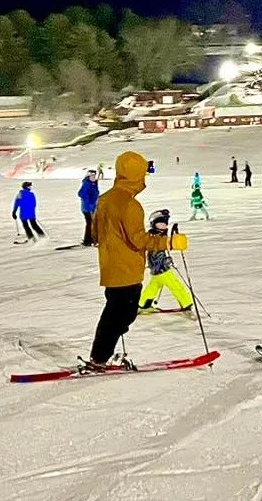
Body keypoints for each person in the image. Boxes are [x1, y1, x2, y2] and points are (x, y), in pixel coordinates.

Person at [87, 151, 188, 370]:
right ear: (136, 174)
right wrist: (170, 242)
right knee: (121, 315)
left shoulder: (105, 199)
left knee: (115, 312)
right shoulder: (130, 204)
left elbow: (94, 234)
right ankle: (100, 358)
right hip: (126, 269)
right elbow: (139, 239)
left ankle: (101, 355)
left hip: (110, 267)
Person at [138, 209, 194, 314]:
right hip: (161, 269)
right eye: (160, 223)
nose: (163, 226)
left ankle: (143, 304)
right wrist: (165, 261)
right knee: (176, 286)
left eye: (165, 224)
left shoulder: (158, 235)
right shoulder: (154, 237)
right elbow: (154, 255)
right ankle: (186, 304)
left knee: (154, 286)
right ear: (154, 224)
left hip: (157, 270)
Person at [78, 168, 100, 246]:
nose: (94, 177)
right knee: (90, 223)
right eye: (92, 175)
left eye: (95, 175)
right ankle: (87, 240)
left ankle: (91, 239)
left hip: (92, 207)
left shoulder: (93, 184)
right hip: (87, 208)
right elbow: (81, 194)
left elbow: (95, 195)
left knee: (93, 223)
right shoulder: (87, 183)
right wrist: (90, 204)